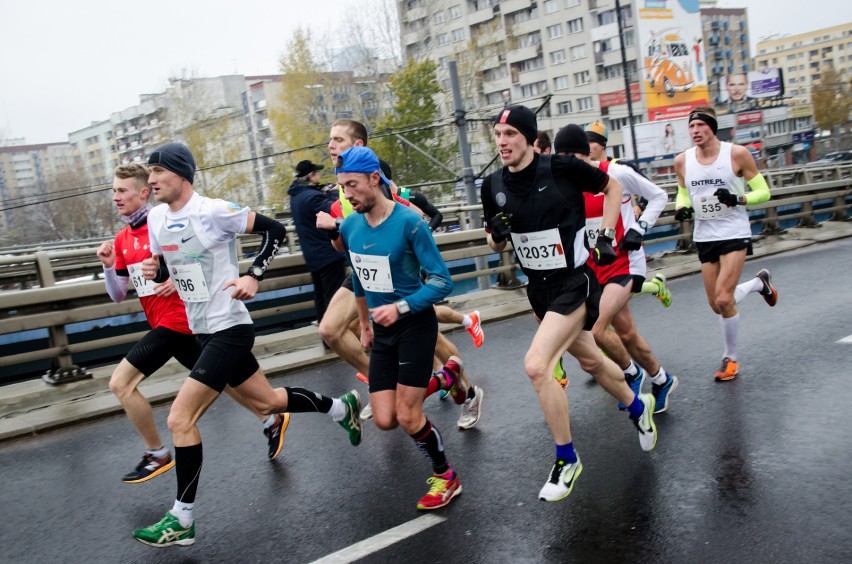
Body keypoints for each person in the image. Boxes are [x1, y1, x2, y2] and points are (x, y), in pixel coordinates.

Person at [132, 143, 362, 548]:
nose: (150, 180)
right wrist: (157, 268)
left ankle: (181, 518)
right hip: (202, 329)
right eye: (149, 173)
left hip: (229, 329)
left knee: (179, 420)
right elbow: (172, 264)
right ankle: (343, 408)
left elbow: (276, 230)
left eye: (156, 171)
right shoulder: (155, 219)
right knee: (269, 402)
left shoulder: (213, 211)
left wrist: (254, 274)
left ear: (181, 175)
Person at [482, 106, 658, 503]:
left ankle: (567, 458)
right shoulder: (492, 184)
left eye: (510, 133)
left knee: (536, 365)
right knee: (592, 361)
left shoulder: (561, 168)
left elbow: (612, 187)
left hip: (574, 283)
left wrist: (604, 237)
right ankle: (637, 405)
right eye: (497, 134)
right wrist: (495, 234)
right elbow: (494, 243)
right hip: (539, 290)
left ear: (528, 137)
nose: (502, 141)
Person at [97, 164, 287, 484]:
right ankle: (270, 419)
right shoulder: (120, 240)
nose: (115, 197)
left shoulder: (164, 220)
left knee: (121, 383)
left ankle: (157, 454)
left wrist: (172, 275)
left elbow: (201, 255)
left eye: (121, 191)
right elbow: (117, 294)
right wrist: (108, 267)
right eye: (113, 191)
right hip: (186, 325)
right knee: (226, 381)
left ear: (143, 192)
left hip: (179, 321)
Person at [316, 119, 484, 427]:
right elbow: (345, 246)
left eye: (337, 139)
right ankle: (384, 386)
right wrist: (333, 230)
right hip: (364, 267)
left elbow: (406, 212)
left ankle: (465, 387)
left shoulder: (374, 177)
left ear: (358, 146)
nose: (330, 145)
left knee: (428, 334)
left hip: (396, 262)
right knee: (330, 330)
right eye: (329, 139)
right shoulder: (341, 187)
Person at [336, 146, 462, 510]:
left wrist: (402, 305)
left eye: (354, 185)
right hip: (382, 329)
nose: (348, 194)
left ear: (375, 179)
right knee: (386, 419)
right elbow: (359, 279)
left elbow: (442, 282)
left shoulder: (410, 223)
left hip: (414, 326)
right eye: (343, 187)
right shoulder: (350, 227)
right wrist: (363, 324)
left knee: (408, 415)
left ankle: (446, 477)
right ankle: (444, 378)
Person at [554, 125, 678, 413]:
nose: (568, 164)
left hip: (625, 262)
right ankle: (662, 379)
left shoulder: (617, 173)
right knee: (627, 334)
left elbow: (659, 195)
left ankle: (630, 374)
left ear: (585, 153)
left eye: (572, 156)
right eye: (562, 157)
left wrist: (640, 227)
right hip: (594, 267)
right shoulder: (565, 185)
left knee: (598, 330)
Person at [673, 107, 778, 381]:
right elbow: (683, 194)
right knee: (716, 304)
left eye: (700, 125)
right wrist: (682, 208)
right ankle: (759, 284)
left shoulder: (736, 154)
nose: (695, 130)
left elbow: (764, 192)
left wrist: (738, 199)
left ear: (712, 127)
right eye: (691, 126)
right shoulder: (682, 161)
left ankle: (730, 359)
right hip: (705, 236)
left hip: (734, 231)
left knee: (723, 298)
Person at [585, 121, 672, 307]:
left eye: (592, 141)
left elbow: (651, 193)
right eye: (585, 141)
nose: (588, 146)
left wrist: (639, 212)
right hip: (598, 250)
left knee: (622, 290)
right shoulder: (582, 174)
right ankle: (656, 286)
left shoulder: (619, 168)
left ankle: (656, 287)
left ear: (603, 144)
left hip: (625, 241)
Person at [287, 159, 346, 325]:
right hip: (328, 253)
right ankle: (335, 331)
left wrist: (323, 191)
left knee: (320, 296)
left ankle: (326, 335)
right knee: (334, 296)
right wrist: (335, 192)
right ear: (311, 176)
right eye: (316, 172)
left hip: (312, 255)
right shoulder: (312, 197)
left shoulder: (296, 196)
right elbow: (334, 208)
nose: (319, 175)